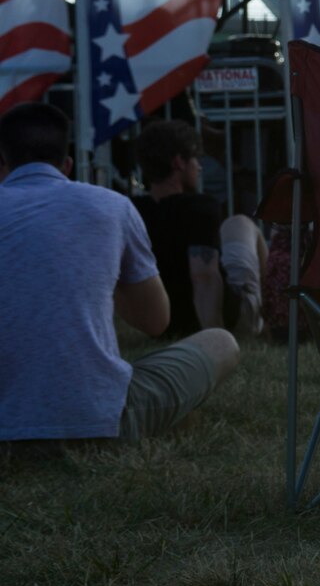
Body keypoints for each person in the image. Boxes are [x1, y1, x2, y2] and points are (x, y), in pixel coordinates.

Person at [0, 103, 241, 450]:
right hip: (101, 422)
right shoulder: (112, 206)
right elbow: (155, 321)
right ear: (67, 165)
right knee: (220, 342)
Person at [132, 119, 263, 339]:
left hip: (163, 322)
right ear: (178, 163)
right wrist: (215, 340)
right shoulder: (199, 208)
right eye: (196, 158)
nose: (199, 166)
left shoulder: (134, 211)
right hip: (225, 319)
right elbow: (204, 276)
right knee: (241, 223)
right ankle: (264, 318)